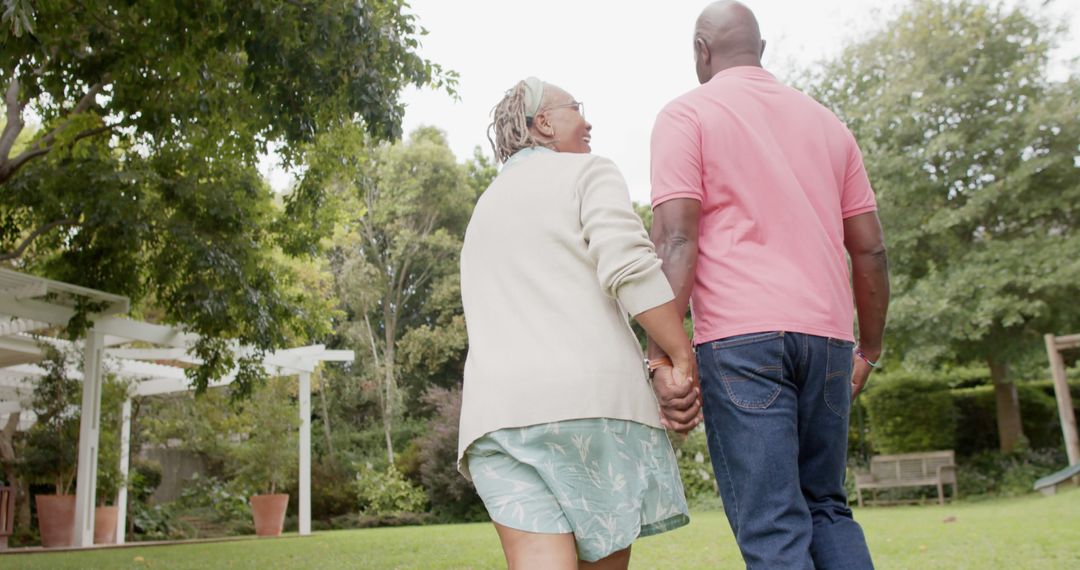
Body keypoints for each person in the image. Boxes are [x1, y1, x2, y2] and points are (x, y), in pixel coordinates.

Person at [647, 2, 891, 569]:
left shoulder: (686, 116)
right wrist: (870, 349)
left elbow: (676, 243)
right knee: (827, 508)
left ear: (701, 52)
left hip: (741, 344)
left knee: (772, 525)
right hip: (830, 343)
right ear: (762, 50)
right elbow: (872, 249)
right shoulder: (829, 125)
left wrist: (661, 357)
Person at [457, 77, 699, 570]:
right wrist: (679, 354)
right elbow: (628, 264)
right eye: (575, 109)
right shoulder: (588, 172)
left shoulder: (483, 209)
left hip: (498, 419)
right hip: (592, 409)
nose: (588, 122)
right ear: (542, 123)